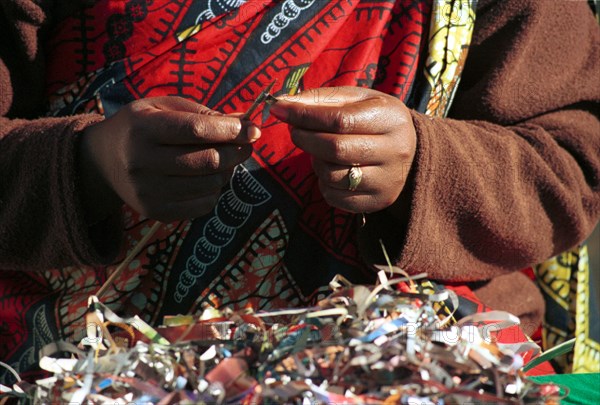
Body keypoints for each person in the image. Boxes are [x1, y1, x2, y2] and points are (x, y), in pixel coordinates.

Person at [0, 0, 598, 382]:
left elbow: (570, 169)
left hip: (416, 370)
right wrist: (88, 163)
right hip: (75, 373)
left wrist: (422, 165)